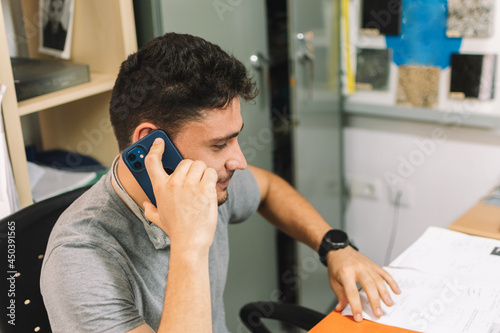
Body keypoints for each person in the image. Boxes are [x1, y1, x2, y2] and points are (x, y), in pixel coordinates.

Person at [40, 33, 400, 332]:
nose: (239, 161)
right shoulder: (79, 261)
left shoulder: (208, 182)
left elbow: (269, 189)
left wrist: (333, 247)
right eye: (219, 144)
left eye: (235, 138)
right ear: (152, 145)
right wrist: (189, 244)